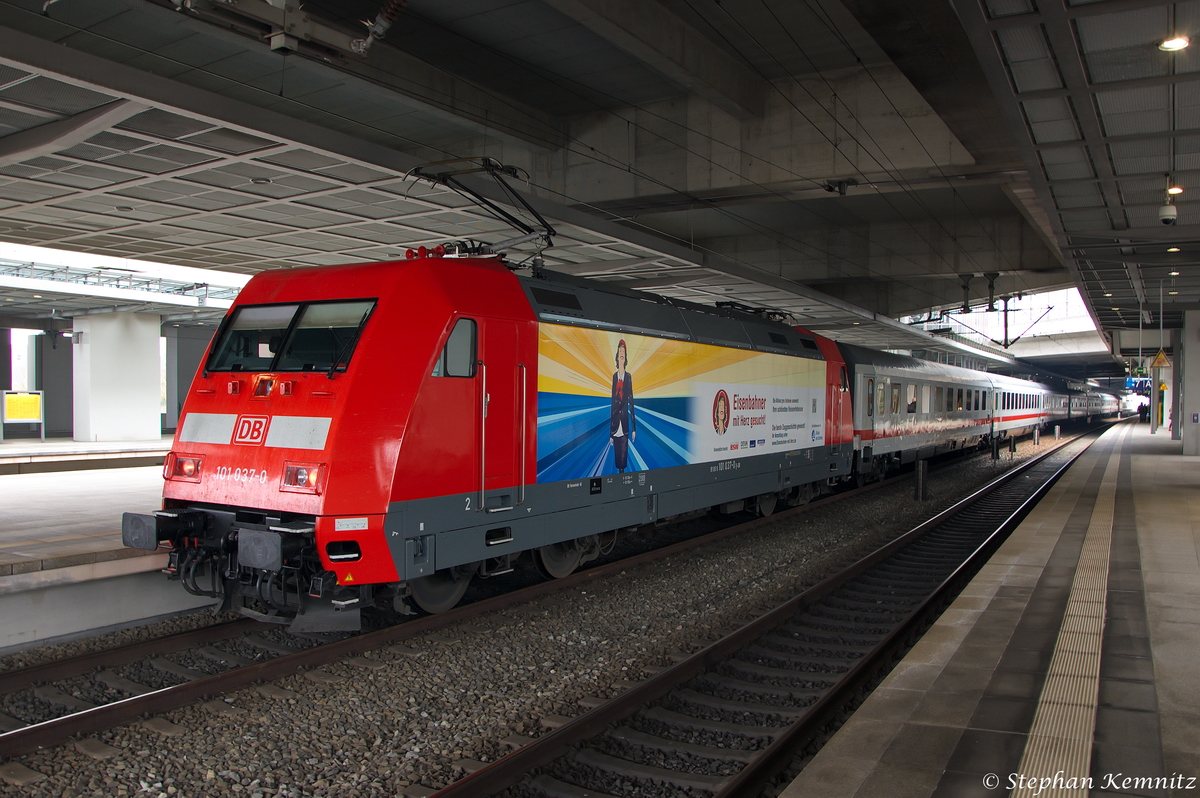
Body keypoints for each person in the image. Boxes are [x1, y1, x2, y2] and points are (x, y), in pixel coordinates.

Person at [610, 339, 636, 473]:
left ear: (625, 357)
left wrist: (634, 428)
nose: (621, 353)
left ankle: (623, 477)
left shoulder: (628, 377)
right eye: (620, 351)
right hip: (615, 425)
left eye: (623, 352)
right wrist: (610, 433)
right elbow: (612, 404)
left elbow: (631, 402)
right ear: (617, 356)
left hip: (624, 424)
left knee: (623, 459)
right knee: (617, 459)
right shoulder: (614, 377)